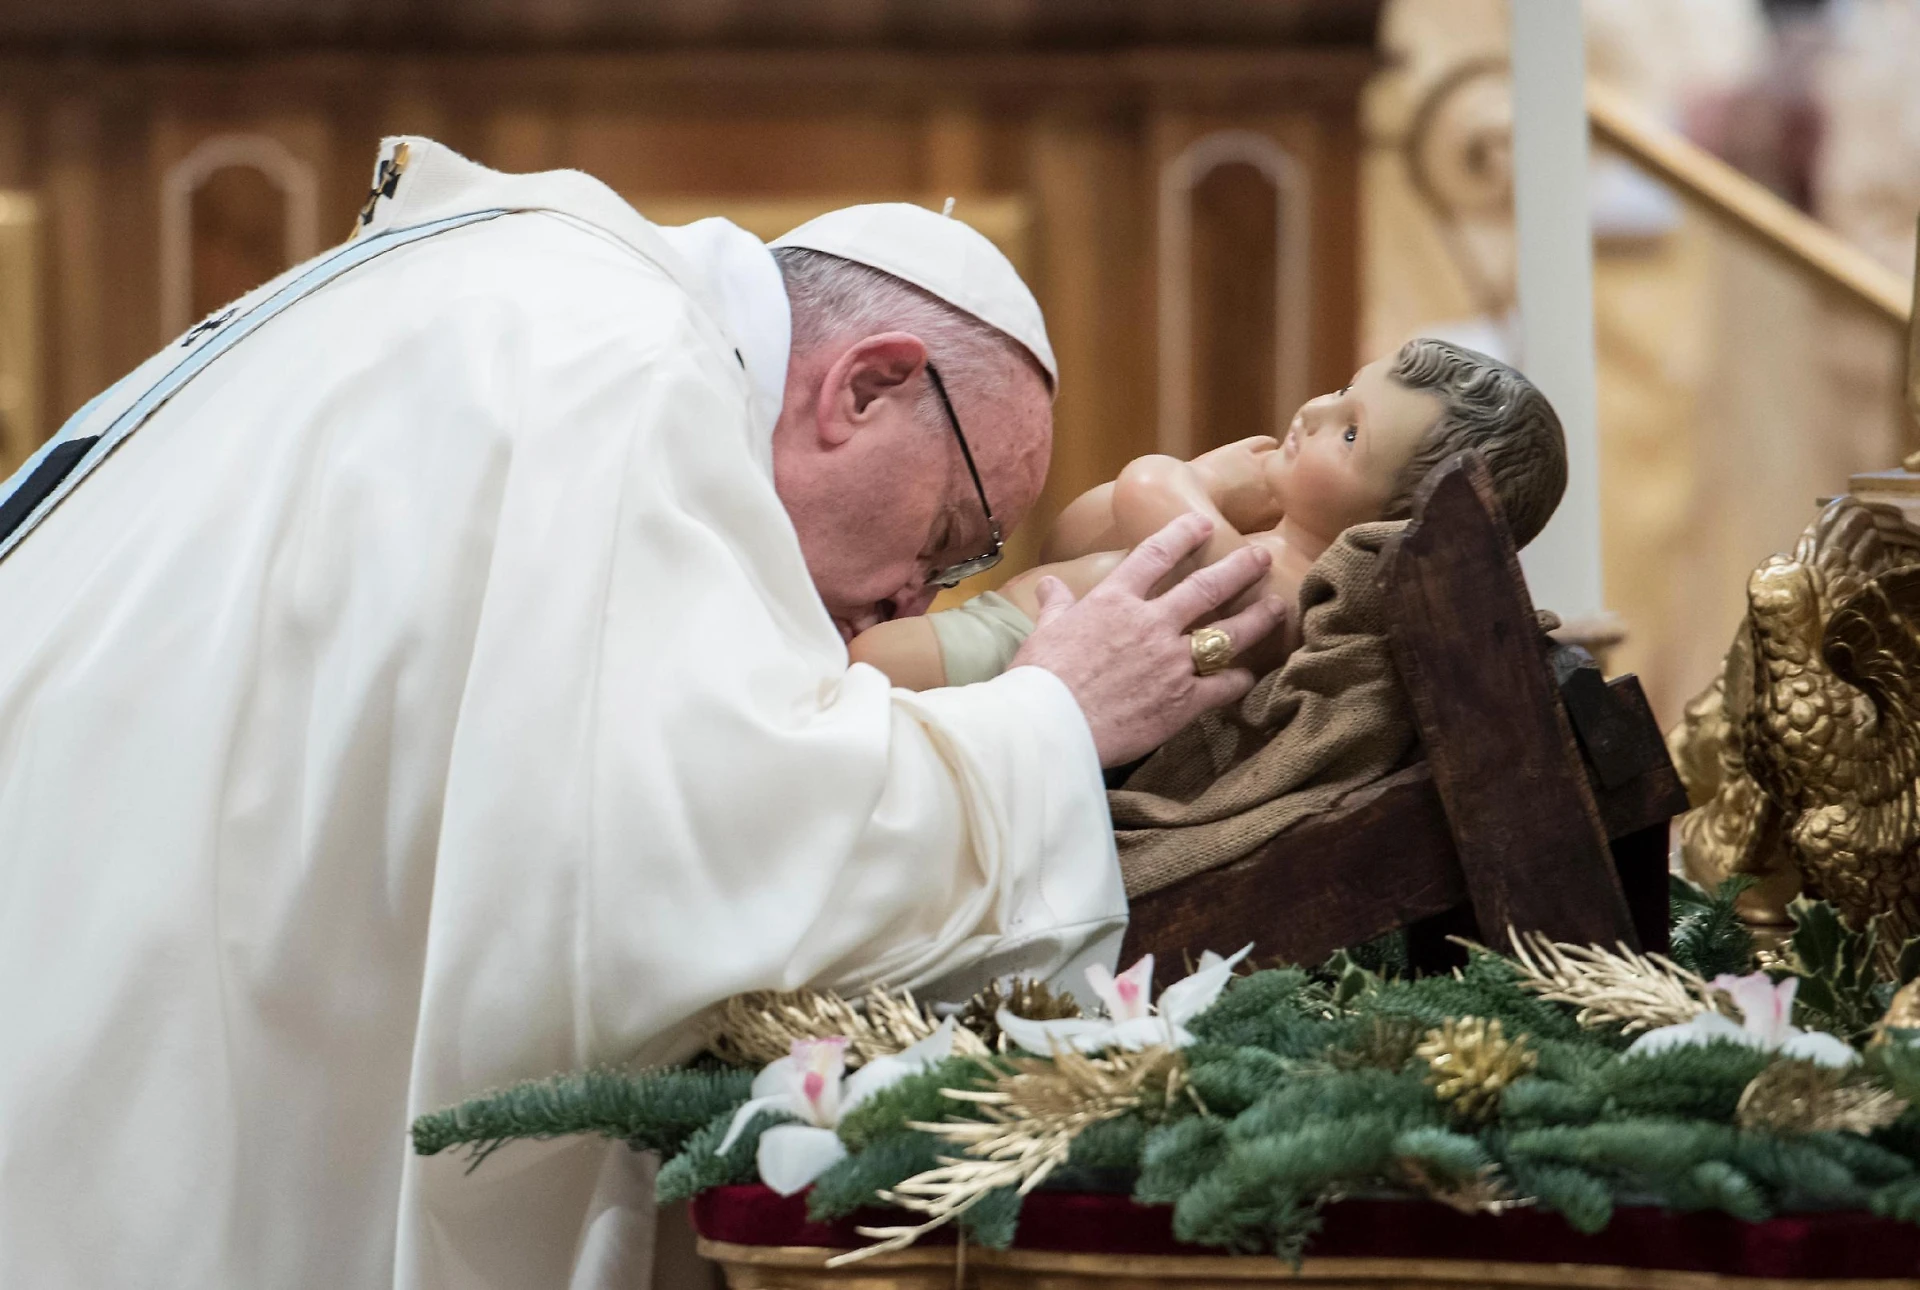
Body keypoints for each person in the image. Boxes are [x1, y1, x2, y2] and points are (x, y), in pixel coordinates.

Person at [0, 139, 1285, 1289]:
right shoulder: (616, 366)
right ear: (867, 387)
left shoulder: (540, 296)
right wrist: (1058, 717)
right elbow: (662, 853)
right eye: (948, 539)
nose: (913, 592)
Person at [850, 338, 1567, 691]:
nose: (1314, 411)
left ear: (1405, 523)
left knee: (862, 664)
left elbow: (1145, 490)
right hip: (1004, 625)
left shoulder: (1290, 600)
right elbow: (1071, 535)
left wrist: (1197, 479)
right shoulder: (1255, 535)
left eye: (1350, 433)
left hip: (1015, 662)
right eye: (1343, 390)